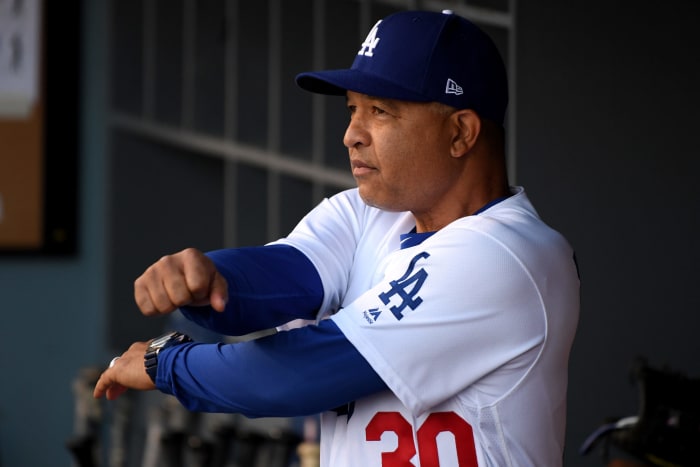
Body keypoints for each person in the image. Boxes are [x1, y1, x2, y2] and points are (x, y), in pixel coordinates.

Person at [94, 9, 580, 466]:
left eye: (380, 111)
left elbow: (293, 377)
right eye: (352, 109)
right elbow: (281, 278)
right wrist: (205, 280)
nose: (352, 134)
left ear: (460, 133)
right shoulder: (372, 214)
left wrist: (166, 363)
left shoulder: (506, 257)